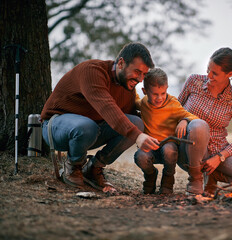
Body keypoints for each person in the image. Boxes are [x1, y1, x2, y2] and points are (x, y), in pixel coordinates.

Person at [41, 42, 160, 192]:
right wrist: (137, 135)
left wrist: (160, 127)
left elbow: (126, 119)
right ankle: (73, 165)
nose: (140, 79)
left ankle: (93, 168)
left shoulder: (126, 87)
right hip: (56, 126)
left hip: (90, 130)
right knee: (87, 126)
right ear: (122, 63)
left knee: (136, 123)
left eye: (144, 74)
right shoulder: (92, 71)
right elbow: (107, 107)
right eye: (137, 72)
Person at [178, 47, 232, 195]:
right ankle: (196, 179)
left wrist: (220, 157)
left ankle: (213, 175)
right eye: (208, 69)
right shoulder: (194, 81)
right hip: (189, 147)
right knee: (199, 125)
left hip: (218, 150)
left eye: (215, 73)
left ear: (229, 74)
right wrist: (184, 119)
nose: (208, 75)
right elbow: (174, 109)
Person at [134, 68, 202, 194]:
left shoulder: (173, 103)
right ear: (145, 91)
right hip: (151, 145)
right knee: (140, 156)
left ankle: (168, 180)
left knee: (169, 150)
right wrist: (131, 87)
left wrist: (184, 120)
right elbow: (135, 100)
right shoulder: (143, 103)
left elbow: (194, 117)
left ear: (167, 88)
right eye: (155, 94)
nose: (159, 98)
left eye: (163, 93)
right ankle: (150, 176)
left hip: (168, 144)